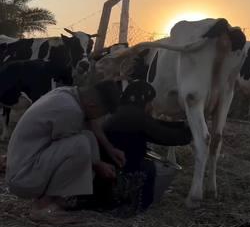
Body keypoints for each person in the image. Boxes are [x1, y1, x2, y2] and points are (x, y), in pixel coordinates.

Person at [5, 80, 125, 223]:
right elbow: (74, 149)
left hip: (25, 166)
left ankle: (57, 201)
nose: (99, 118)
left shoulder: (69, 94)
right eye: (101, 114)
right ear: (93, 105)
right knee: (80, 144)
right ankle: (43, 208)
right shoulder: (69, 109)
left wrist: (110, 149)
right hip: (24, 178)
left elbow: (89, 122)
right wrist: (98, 164)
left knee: (88, 138)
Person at [76, 80, 192, 213]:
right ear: (143, 100)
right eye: (150, 102)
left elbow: (155, 124)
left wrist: (182, 125)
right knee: (151, 168)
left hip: (102, 177)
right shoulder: (136, 117)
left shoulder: (124, 111)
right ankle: (135, 206)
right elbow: (168, 137)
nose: (151, 107)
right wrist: (192, 132)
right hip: (114, 177)